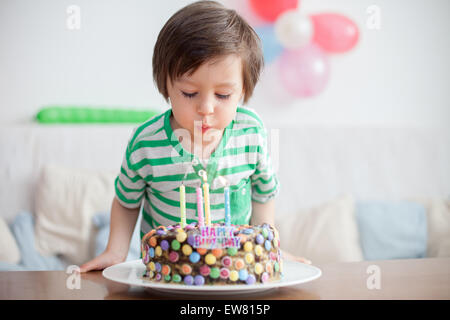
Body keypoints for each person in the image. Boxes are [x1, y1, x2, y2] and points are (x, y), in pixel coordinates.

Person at [80, 0, 310, 272]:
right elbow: (126, 201)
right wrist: (116, 251)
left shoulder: (251, 133)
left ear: (243, 91)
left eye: (223, 95)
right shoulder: (145, 142)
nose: (206, 108)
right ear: (165, 83)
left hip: (236, 269)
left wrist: (269, 247)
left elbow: (263, 192)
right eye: (189, 93)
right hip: (169, 271)